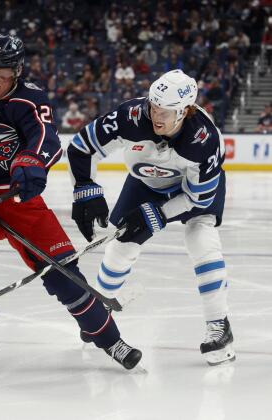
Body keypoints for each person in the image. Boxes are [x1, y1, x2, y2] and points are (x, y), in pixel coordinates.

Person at [0, 34, 142, 370]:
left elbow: (45, 137)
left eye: (3, 73)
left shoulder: (30, 98)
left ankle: (112, 342)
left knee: (64, 272)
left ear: (17, 70)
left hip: (15, 195)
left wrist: (31, 163)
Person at [67, 69, 235, 366]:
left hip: (188, 190)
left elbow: (199, 198)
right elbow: (81, 148)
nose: (155, 115)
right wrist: (86, 190)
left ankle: (219, 324)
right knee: (121, 246)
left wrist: (158, 213)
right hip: (145, 182)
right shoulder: (130, 116)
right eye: (153, 106)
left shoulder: (204, 139)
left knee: (200, 236)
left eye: (165, 111)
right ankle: (98, 313)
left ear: (185, 111)